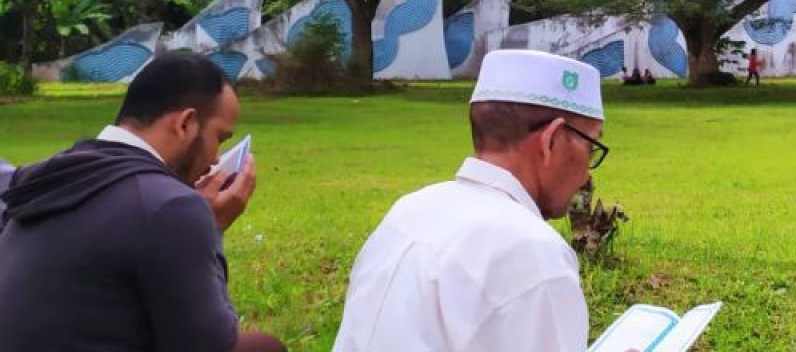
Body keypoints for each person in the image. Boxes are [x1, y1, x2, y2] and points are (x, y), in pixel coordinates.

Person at [0, 52, 283, 352]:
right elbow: (211, 345)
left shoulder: (59, 175)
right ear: (185, 123)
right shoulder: (169, 205)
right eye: (220, 138)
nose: (215, 160)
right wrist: (213, 226)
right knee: (264, 348)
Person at [334, 50, 613, 352]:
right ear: (552, 140)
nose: (586, 174)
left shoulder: (409, 211)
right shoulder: (534, 253)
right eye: (591, 146)